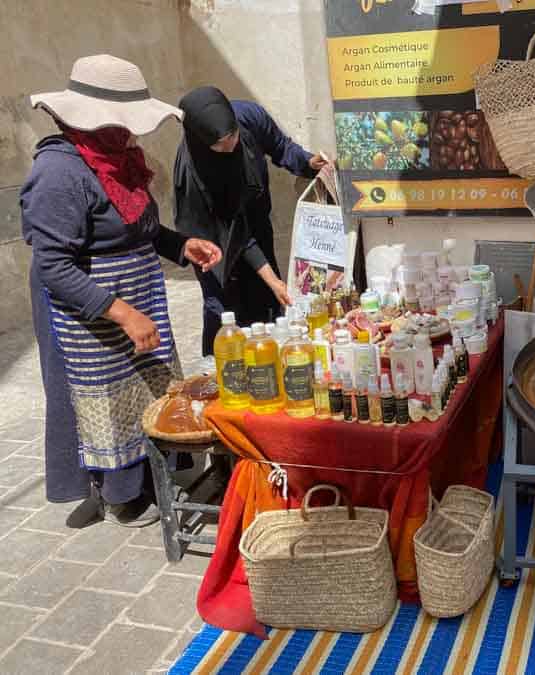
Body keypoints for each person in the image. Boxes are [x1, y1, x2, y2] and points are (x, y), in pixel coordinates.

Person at [21, 55, 222, 527]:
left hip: (136, 294)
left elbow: (139, 227)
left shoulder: (119, 161)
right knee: (103, 398)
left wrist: (179, 244)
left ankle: (151, 474)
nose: (134, 135)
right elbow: (54, 265)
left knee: (145, 387)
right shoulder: (59, 173)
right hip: (86, 310)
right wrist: (122, 314)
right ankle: (116, 490)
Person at [173, 86, 326, 355]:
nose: (230, 145)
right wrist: (272, 279)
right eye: (219, 144)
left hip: (255, 223)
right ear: (202, 141)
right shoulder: (195, 174)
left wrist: (307, 162)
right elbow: (233, 232)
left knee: (267, 306)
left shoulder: (247, 116)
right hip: (214, 244)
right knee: (224, 315)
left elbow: (280, 146)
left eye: (232, 136)